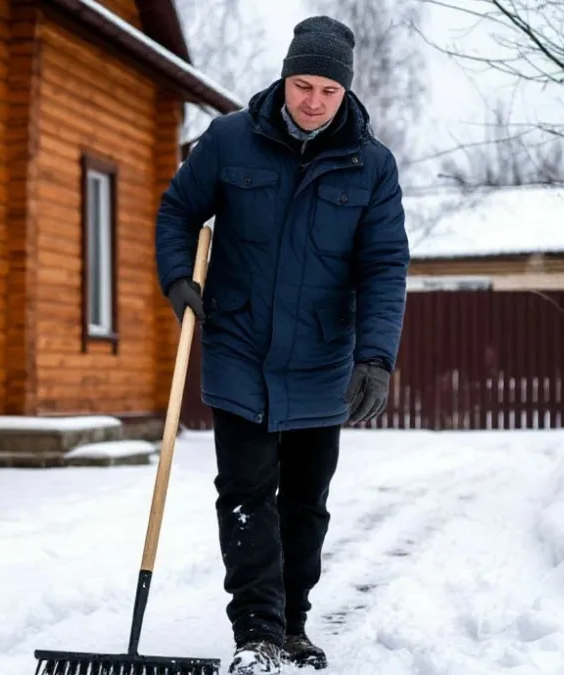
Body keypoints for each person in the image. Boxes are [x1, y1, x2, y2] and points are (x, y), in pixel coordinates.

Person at [154, 14, 410, 675]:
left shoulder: (372, 166)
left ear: (345, 93)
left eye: (327, 90)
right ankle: (258, 633)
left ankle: (292, 623)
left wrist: (376, 356)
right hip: (238, 346)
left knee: (304, 503)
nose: (313, 101)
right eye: (303, 85)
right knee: (244, 493)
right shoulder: (229, 140)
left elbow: (384, 264)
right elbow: (179, 210)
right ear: (285, 78)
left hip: (322, 359)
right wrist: (179, 277)